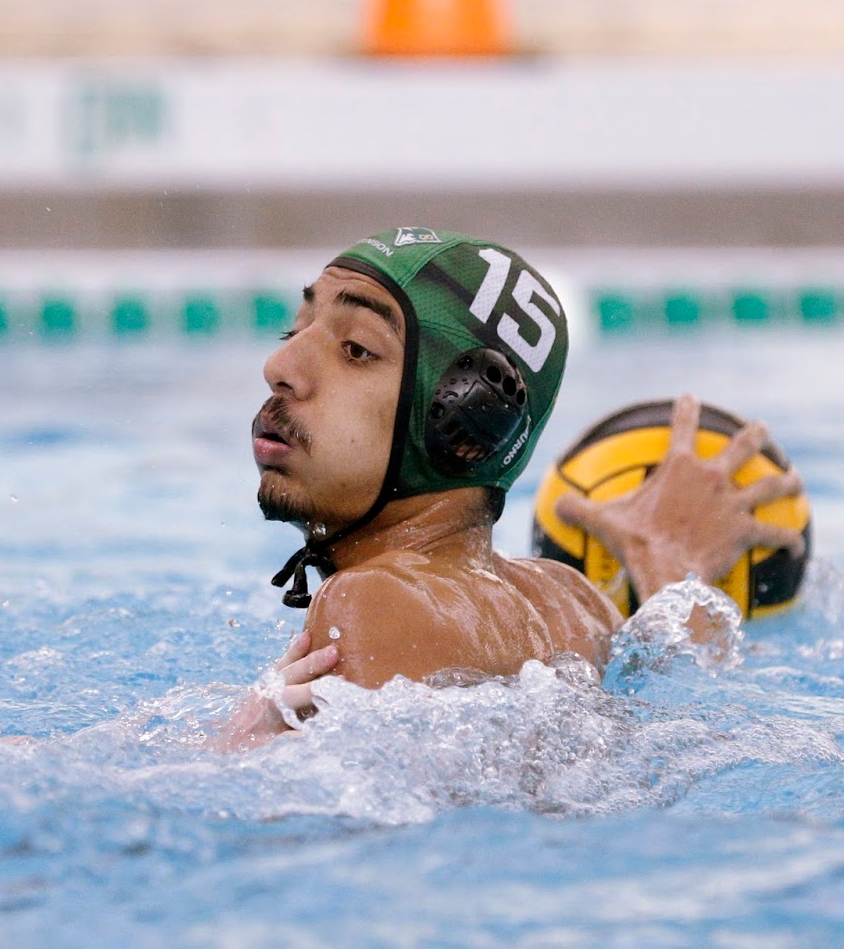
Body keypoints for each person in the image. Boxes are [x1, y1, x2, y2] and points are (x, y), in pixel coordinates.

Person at [217, 227, 806, 750]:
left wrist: (236, 748)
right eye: (292, 330)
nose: (281, 363)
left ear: (465, 423)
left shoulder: (372, 601)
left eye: (356, 349)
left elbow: (366, 855)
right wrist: (677, 575)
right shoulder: (576, 603)